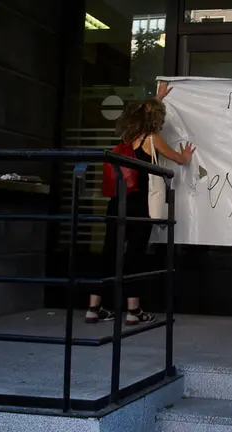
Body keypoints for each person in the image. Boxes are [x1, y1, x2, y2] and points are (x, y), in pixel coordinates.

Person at [86, 82, 195, 326]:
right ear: (155, 119)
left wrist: (158, 97)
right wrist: (186, 156)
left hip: (117, 202)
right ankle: (133, 311)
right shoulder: (151, 139)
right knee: (135, 253)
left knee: (109, 252)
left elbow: (143, 111)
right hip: (139, 205)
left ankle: (94, 307)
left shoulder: (127, 138)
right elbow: (178, 159)